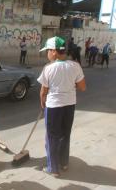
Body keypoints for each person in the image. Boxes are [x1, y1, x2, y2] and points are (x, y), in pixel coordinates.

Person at [37, 36, 86, 177]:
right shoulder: (75, 65)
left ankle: (53, 168)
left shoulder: (49, 68)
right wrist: (70, 84)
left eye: (47, 51)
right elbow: (82, 87)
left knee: (52, 137)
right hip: (69, 106)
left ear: (54, 51)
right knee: (65, 135)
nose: (47, 54)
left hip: (53, 107)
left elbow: (43, 92)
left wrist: (42, 103)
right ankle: (64, 163)